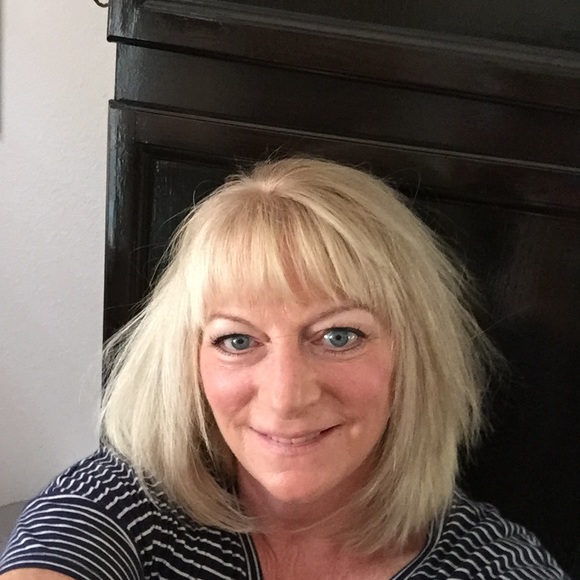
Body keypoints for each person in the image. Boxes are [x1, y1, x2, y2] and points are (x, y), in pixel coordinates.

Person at [0, 158, 569, 579]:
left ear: (413, 356)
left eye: (339, 336)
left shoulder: (496, 564)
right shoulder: (123, 503)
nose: (286, 396)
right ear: (188, 365)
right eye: (238, 340)